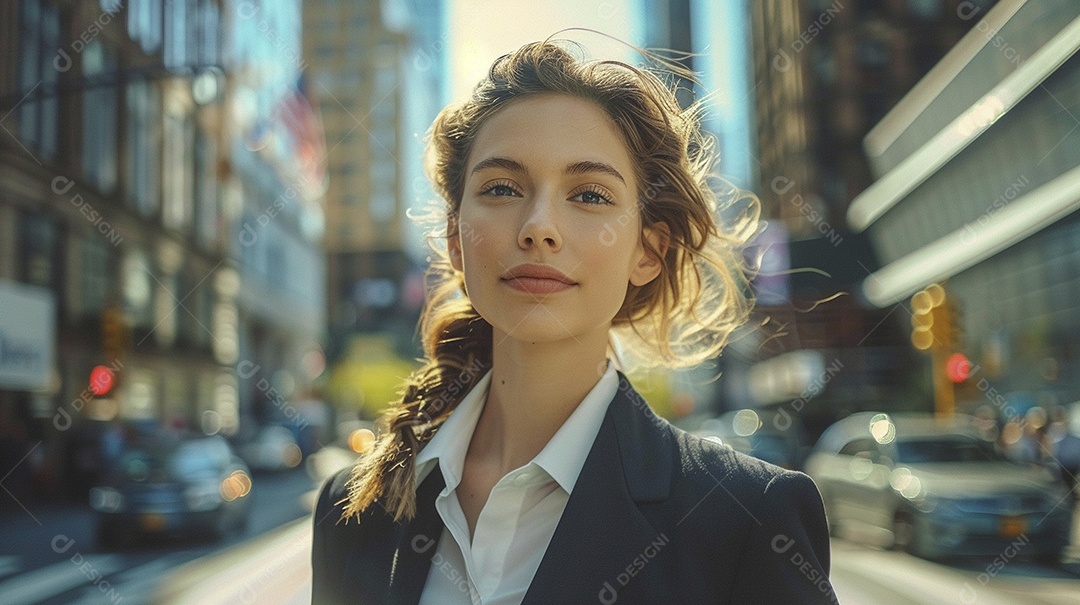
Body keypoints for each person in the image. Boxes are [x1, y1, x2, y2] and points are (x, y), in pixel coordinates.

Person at [312, 39, 835, 605]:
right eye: (502, 188)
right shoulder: (354, 508)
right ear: (454, 239)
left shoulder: (748, 520)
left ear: (648, 251)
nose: (540, 227)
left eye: (589, 194)